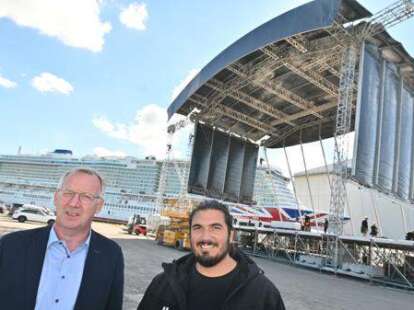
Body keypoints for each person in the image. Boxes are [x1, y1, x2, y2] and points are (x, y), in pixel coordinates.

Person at [0, 168, 124, 310]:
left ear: (99, 206)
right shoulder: (11, 245)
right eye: (68, 193)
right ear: (55, 197)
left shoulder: (111, 254)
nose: (74, 203)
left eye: (86, 196)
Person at [138, 200, 285, 310]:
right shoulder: (163, 284)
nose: (205, 237)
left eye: (215, 227)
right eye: (197, 228)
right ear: (190, 234)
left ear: (231, 235)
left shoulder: (263, 294)